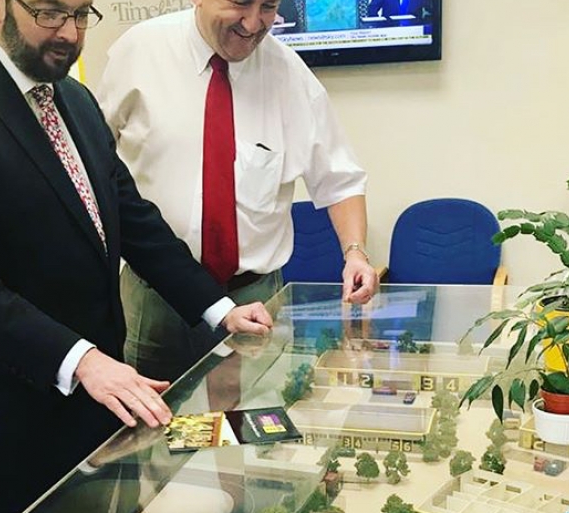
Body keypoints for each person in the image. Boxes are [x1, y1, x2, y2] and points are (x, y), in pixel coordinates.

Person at [0, 0, 272, 513]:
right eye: (50, 13)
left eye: (80, 14)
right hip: (15, 411)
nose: (69, 34)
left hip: (101, 399)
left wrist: (219, 309)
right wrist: (83, 362)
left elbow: (132, 218)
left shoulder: (72, 96)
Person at [97, 0, 379, 384]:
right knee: (154, 431)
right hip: (157, 297)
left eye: (268, 6)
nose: (253, 22)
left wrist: (355, 253)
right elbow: (94, 164)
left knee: (259, 430)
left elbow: (339, 178)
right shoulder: (139, 53)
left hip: (256, 298)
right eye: (240, 3)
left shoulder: (288, 74)